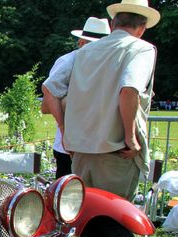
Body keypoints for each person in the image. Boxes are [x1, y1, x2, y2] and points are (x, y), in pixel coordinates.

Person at [42, 0, 160, 200]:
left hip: (80, 153)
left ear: (113, 24)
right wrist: (131, 138)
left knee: (80, 218)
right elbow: (129, 89)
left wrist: (65, 131)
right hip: (116, 153)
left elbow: (49, 89)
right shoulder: (142, 49)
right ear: (141, 29)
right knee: (114, 219)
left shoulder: (84, 52)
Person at [42, 17, 111, 178]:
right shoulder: (68, 61)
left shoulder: (108, 64)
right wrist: (65, 131)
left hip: (97, 147)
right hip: (70, 148)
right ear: (81, 43)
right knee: (67, 197)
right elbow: (47, 102)